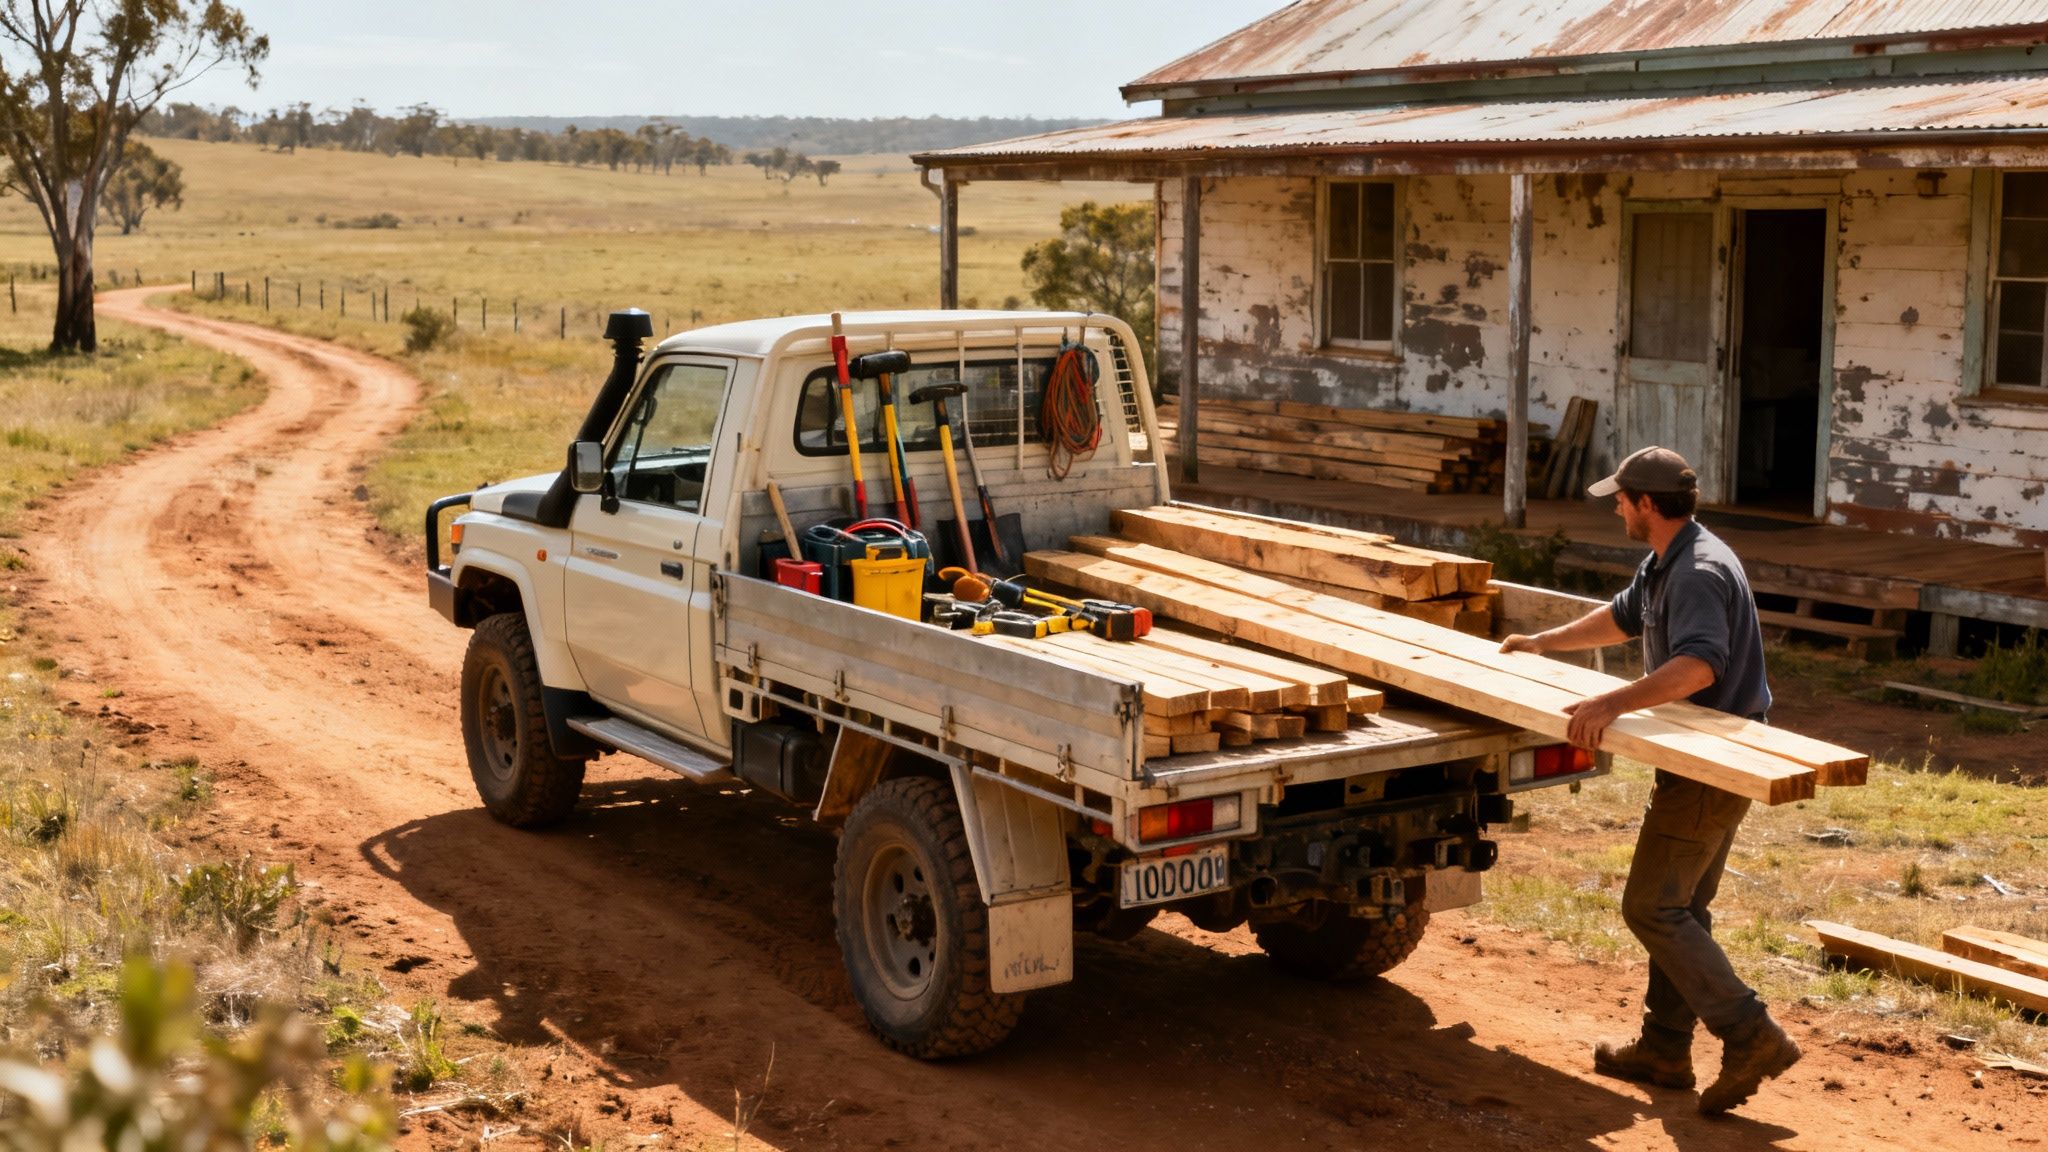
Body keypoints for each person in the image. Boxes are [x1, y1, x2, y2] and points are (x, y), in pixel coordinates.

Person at [1497, 445, 1800, 1116]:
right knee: (1682, 909)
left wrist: (1610, 703)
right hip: (1700, 758)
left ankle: (1751, 1033)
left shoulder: (1697, 572)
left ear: (1648, 506)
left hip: (1710, 767)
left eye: (1622, 498)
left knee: (1651, 907)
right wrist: (1543, 642)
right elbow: (1622, 615)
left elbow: (1699, 667)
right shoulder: (1668, 558)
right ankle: (1665, 1049)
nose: (1615, 506)